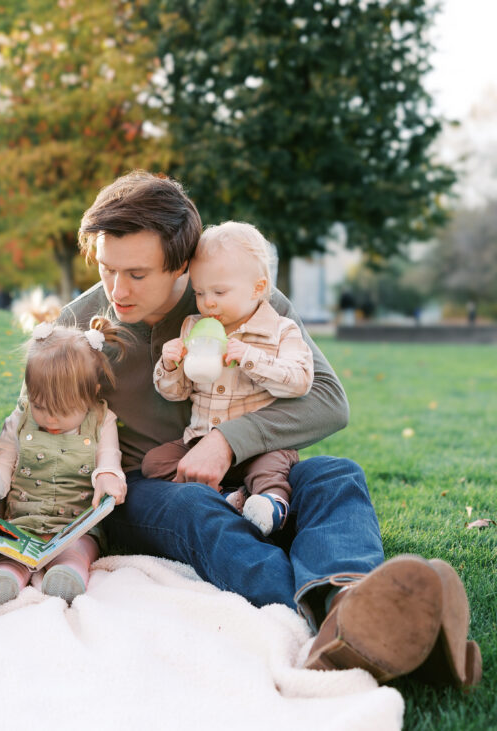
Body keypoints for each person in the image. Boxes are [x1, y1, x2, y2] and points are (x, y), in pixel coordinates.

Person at [58, 170, 481, 688]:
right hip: (148, 488)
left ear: (182, 267)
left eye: (138, 274)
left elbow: (328, 400)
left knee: (335, 475)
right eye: (107, 269)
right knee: (196, 507)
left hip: (258, 475)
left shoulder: (236, 293)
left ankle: (349, 599)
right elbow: (44, 429)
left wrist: (228, 441)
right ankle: (334, 628)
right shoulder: (79, 323)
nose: (117, 290)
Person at [141, 221, 314, 536]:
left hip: (260, 445)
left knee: (270, 468)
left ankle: (272, 506)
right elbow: (177, 393)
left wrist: (248, 357)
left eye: (219, 292)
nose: (208, 302)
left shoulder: (281, 330)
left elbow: (300, 380)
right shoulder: (193, 328)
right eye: (200, 292)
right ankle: (226, 497)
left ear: (258, 288)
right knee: (155, 462)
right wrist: (170, 366)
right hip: (201, 440)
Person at [0, 317, 128, 614]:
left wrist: (109, 478)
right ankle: (5, 580)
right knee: (11, 556)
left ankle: (68, 577)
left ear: (91, 394)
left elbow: (109, 459)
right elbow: (4, 463)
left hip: (75, 527)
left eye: (62, 410)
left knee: (78, 552)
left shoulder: (102, 420)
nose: (49, 418)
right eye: (39, 405)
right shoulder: (21, 420)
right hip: (23, 522)